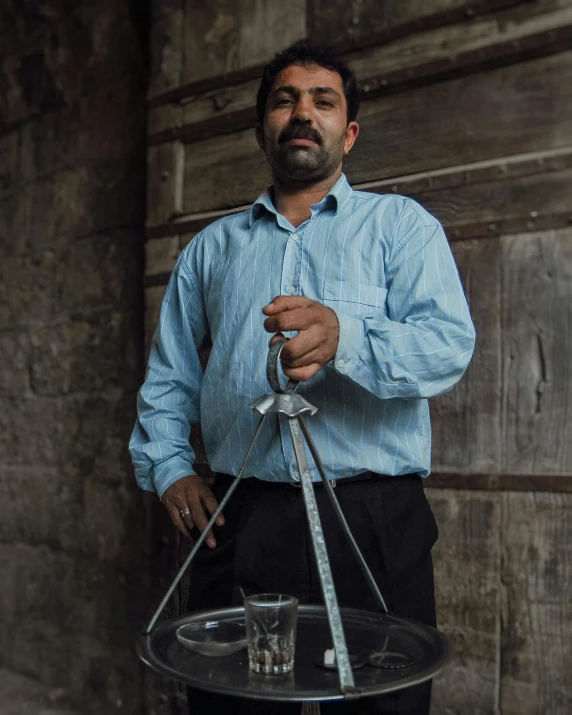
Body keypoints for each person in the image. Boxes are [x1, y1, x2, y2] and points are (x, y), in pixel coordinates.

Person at [130, 40, 476, 715]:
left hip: (373, 514)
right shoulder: (210, 249)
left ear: (347, 132)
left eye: (323, 101)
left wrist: (346, 337)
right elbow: (167, 376)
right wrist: (169, 465)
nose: (302, 113)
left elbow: (447, 348)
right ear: (264, 126)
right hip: (240, 513)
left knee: (383, 703)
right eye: (285, 99)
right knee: (232, 703)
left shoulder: (401, 227)